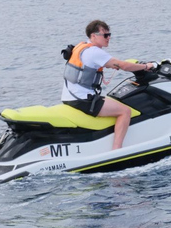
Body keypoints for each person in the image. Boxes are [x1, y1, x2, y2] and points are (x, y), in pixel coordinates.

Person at [61, 20, 154, 150]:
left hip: (69, 97)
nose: (108, 38)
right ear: (93, 36)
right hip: (82, 100)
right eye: (105, 35)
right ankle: (117, 150)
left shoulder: (80, 47)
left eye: (109, 34)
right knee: (125, 111)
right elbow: (124, 66)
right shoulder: (95, 52)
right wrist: (145, 66)